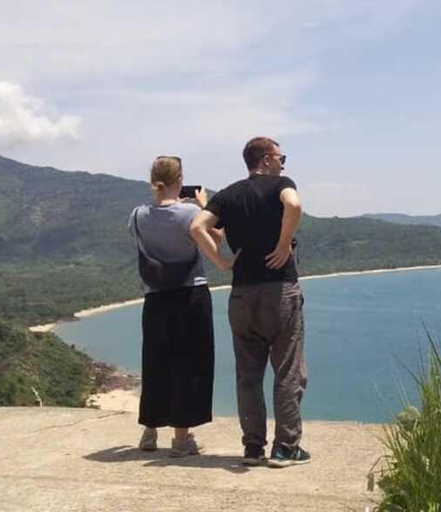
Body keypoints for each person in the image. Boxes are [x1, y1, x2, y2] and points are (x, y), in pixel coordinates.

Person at [190, 137, 309, 468]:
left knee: (248, 374)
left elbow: (198, 227)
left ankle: (253, 448)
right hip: (279, 290)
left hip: (242, 294)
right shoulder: (281, 185)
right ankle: (286, 447)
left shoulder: (228, 195)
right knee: (287, 371)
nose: (284, 163)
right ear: (267, 159)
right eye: (281, 156)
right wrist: (284, 244)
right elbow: (294, 205)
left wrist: (223, 263)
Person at [129, 155, 219, 457]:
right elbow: (214, 233)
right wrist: (205, 206)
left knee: (155, 362)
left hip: (155, 296)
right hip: (189, 295)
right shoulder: (191, 212)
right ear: (180, 180)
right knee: (190, 363)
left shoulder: (137, 215)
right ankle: (181, 439)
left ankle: (150, 431)